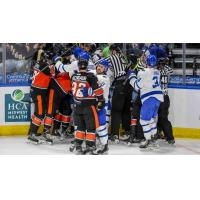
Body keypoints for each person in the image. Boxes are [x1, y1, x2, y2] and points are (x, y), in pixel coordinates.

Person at [70, 52, 105, 154]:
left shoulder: (74, 76)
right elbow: (98, 91)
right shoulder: (91, 76)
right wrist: (101, 100)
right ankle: (90, 147)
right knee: (90, 128)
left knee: (80, 127)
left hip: (77, 106)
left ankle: (78, 146)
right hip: (89, 106)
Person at [128, 54, 164, 149]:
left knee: (143, 121)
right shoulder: (157, 71)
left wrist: (131, 75)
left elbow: (137, 86)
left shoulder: (143, 72)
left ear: (147, 62)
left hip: (149, 98)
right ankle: (154, 137)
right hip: (158, 98)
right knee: (151, 120)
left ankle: (148, 140)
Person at [27, 50, 54, 144]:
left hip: (36, 90)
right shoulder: (46, 66)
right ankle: (32, 134)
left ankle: (31, 131)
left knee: (37, 112)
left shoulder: (39, 63)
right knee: (40, 114)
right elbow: (53, 74)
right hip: (39, 92)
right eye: (51, 59)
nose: (51, 61)